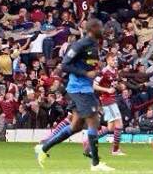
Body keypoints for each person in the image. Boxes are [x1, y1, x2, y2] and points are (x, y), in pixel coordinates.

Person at [35, 19, 115, 172]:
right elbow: (65, 65)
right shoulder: (80, 44)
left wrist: (95, 70)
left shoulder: (94, 44)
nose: (102, 29)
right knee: (94, 122)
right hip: (79, 89)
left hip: (85, 88)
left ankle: (43, 148)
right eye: (100, 27)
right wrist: (86, 73)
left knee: (76, 126)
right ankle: (95, 164)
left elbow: (88, 64)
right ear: (92, 29)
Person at [94, 61, 125, 156]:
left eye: (116, 60)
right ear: (108, 60)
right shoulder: (103, 71)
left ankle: (90, 139)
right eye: (113, 60)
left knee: (110, 128)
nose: (115, 62)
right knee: (119, 125)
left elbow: (116, 85)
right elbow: (94, 85)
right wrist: (107, 90)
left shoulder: (115, 71)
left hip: (112, 99)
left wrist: (119, 86)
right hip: (107, 100)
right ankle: (115, 150)